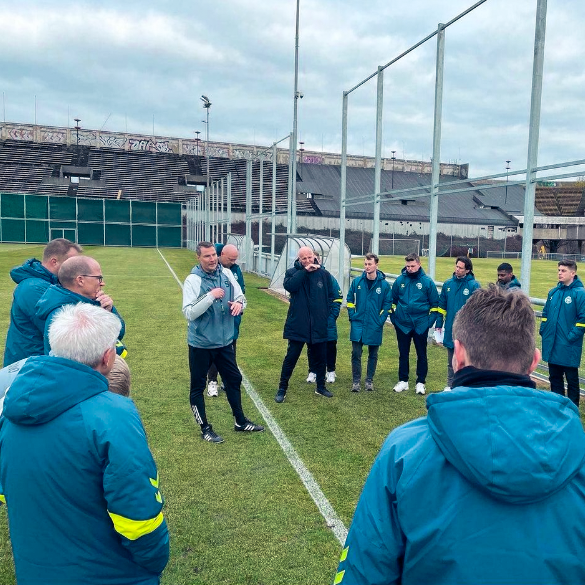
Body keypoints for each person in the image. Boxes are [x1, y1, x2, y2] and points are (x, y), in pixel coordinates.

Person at [335, 285, 585, 585]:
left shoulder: (405, 451)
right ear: (534, 361)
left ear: (458, 356)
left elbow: (365, 573)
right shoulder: (578, 452)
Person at [0, 303, 169, 585]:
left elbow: (8, 490)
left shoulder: (10, 412)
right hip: (108, 573)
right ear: (106, 357)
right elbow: (138, 516)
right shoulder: (114, 414)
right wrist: (154, 561)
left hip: (36, 571)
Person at [182, 241, 264, 443]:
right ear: (198, 258)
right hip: (201, 344)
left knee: (234, 379)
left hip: (225, 342)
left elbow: (242, 297)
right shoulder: (193, 280)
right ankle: (205, 428)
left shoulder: (226, 274)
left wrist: (239, 304)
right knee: (197, 387)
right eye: (206, 256)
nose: (211, 259)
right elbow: (189, 312)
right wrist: (210, 296)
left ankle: (240, 421)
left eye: (213, 255)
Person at [3, 238, 82, 366]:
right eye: (71, 264)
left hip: (35, 365)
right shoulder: (33, 288)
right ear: (54, 262)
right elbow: (63, 330)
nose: (76, 269)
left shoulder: (52, 284)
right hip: (28, 367)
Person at [275, 246, 336, 403]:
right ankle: (282, 388)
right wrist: (304, 271)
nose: (308, 260)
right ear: (299, 260)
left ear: (314, 257)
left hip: (318, 325)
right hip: (298, 325)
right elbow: (290, 286)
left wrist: (324, 314)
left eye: (310, 257)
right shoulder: (292, 273)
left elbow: (330, 296)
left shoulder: (324, 274)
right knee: (291, 357)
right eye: (304, 258)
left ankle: (321, 387)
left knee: (321, 358)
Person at [35, 255, 126, 356]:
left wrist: (109, 311)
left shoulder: (87, 302)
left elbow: (119, 333)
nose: (102, 283)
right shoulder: (64, 315)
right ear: (80, 280)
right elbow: (96, 353)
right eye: (99, 278)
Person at [391, 253, 440, 395]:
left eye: (412, 266)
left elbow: (435, 305)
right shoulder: (400, 280)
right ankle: (403, 381)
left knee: (421, 354)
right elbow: (391, 302)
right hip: (402, 325)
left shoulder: (427, 282)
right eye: (408, 266)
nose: (410, 269)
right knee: (403, 354)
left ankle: (420, 382)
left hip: (420, 325)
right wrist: (394, 319)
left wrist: (428, 323)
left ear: (419, 264)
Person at [540, 259, 585, 407]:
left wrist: (571, 336)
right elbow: (545, 314)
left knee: (571, 379)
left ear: (573, 273)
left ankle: (572, 409)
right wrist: (543, 330)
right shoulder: (553, 292)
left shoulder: (580, 293)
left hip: (569, 344)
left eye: (563, 270)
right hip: (552, 343)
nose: (559, 273)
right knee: (554, 378)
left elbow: (583, 319)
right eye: (559, 270)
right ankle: (557, 408)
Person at [346, 253, 392, 392]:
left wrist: (380, 320)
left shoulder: (383, 285)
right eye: (365, 264)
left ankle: (369, 380)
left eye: (370, 264)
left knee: (373, 354)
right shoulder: (357, 282)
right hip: (358, 323)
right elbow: (349, 300)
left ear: (376, 265)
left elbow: (387, 303)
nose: (367, 267)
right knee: (356, 353)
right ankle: (356, 381)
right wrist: (352, 315)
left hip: (374, 324)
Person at [435, 256, 480, 391]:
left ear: (467, 270)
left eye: (460, 268)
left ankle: (465, 385)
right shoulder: (448, 284)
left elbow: (477, 310)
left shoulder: (474, 286)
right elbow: (441, 306)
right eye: (456, 266)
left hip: (466, 331)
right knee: (451, 360)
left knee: (465, 361)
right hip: (450, 328)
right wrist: (439, 324)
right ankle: (450, 385)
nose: (457, 269)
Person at [207, 243, 245, 397]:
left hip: (231, 321)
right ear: (221, 254)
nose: (233, 262)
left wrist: (238, 304)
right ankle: (212, 382)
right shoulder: (210, 270)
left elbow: (241, 292)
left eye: (235, 259)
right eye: (231, 259)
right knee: (214, 353)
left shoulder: (235, 270)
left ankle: (227, 380)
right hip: (214, 322)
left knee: (230, 352)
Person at [306, 251, 343, 384]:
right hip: (311, 320)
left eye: (315, 259)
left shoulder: (327, 276)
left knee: (330, 345)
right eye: (310, 259)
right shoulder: (305, 276)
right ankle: (313, 371)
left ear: (319, 260)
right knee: (311, 346)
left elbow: (338, 297)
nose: (313, 262)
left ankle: (331, 371)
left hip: (327, 320)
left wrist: (332, 316)